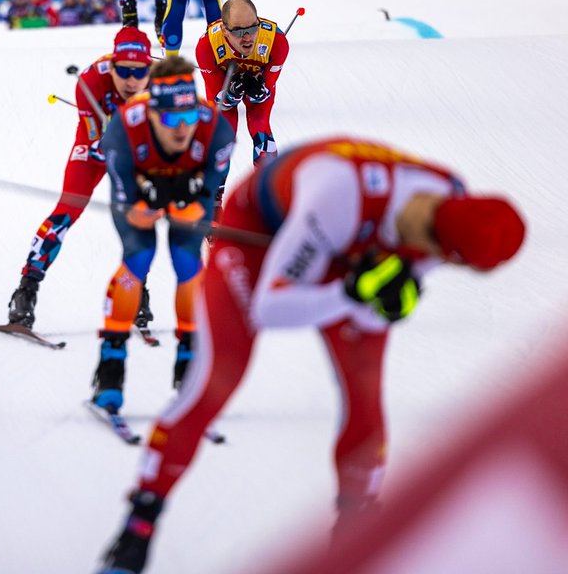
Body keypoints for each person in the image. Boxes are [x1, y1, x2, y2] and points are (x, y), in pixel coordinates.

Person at [97, 137, 526, 574]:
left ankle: (355, 537)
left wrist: (384, 300)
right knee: (216, 379)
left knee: (365, 395)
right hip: (262, 232)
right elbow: (270, 308)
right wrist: (350, 292)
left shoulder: (449, 201)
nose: (431, 260)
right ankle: (139, 523)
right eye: (434, 249)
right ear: (436, 226)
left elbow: (375, 313)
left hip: (347, 247)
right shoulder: (340, 194)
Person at [89, 55, 234, 418]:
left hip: (187, 186)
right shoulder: (123, 129)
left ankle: (189, 362)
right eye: (170, 119)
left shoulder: (216, 129)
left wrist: (193, 200)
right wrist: (142, 205)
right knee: (138, 256)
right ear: (152, 113)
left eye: (188, 116)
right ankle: (111, 364)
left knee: (188, 261)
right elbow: (126, 200)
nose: (182, 129)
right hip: (139, 189)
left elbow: (210, 190)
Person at [5, 28, 154, 330]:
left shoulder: (163, 85)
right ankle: (26, 289)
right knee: (66, 211)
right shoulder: (89, 80)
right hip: (95, 145)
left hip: (136, 150)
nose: (131, 81)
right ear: (112, 65)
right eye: (123, 71)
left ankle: (137, 290)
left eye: (139, 72)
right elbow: (94, 140)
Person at [195, 0, 289, 169]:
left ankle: (266, 181)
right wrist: (231, 95)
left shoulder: (277, 42)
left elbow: (265, 93)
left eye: (252, 29)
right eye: (238, 31)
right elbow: (220, 101)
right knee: (221, 135)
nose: (247, 37)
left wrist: (259, 91)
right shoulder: (207, 46)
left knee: (260, 127)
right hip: (224, 82)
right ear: (224, 30)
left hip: (257, 79)